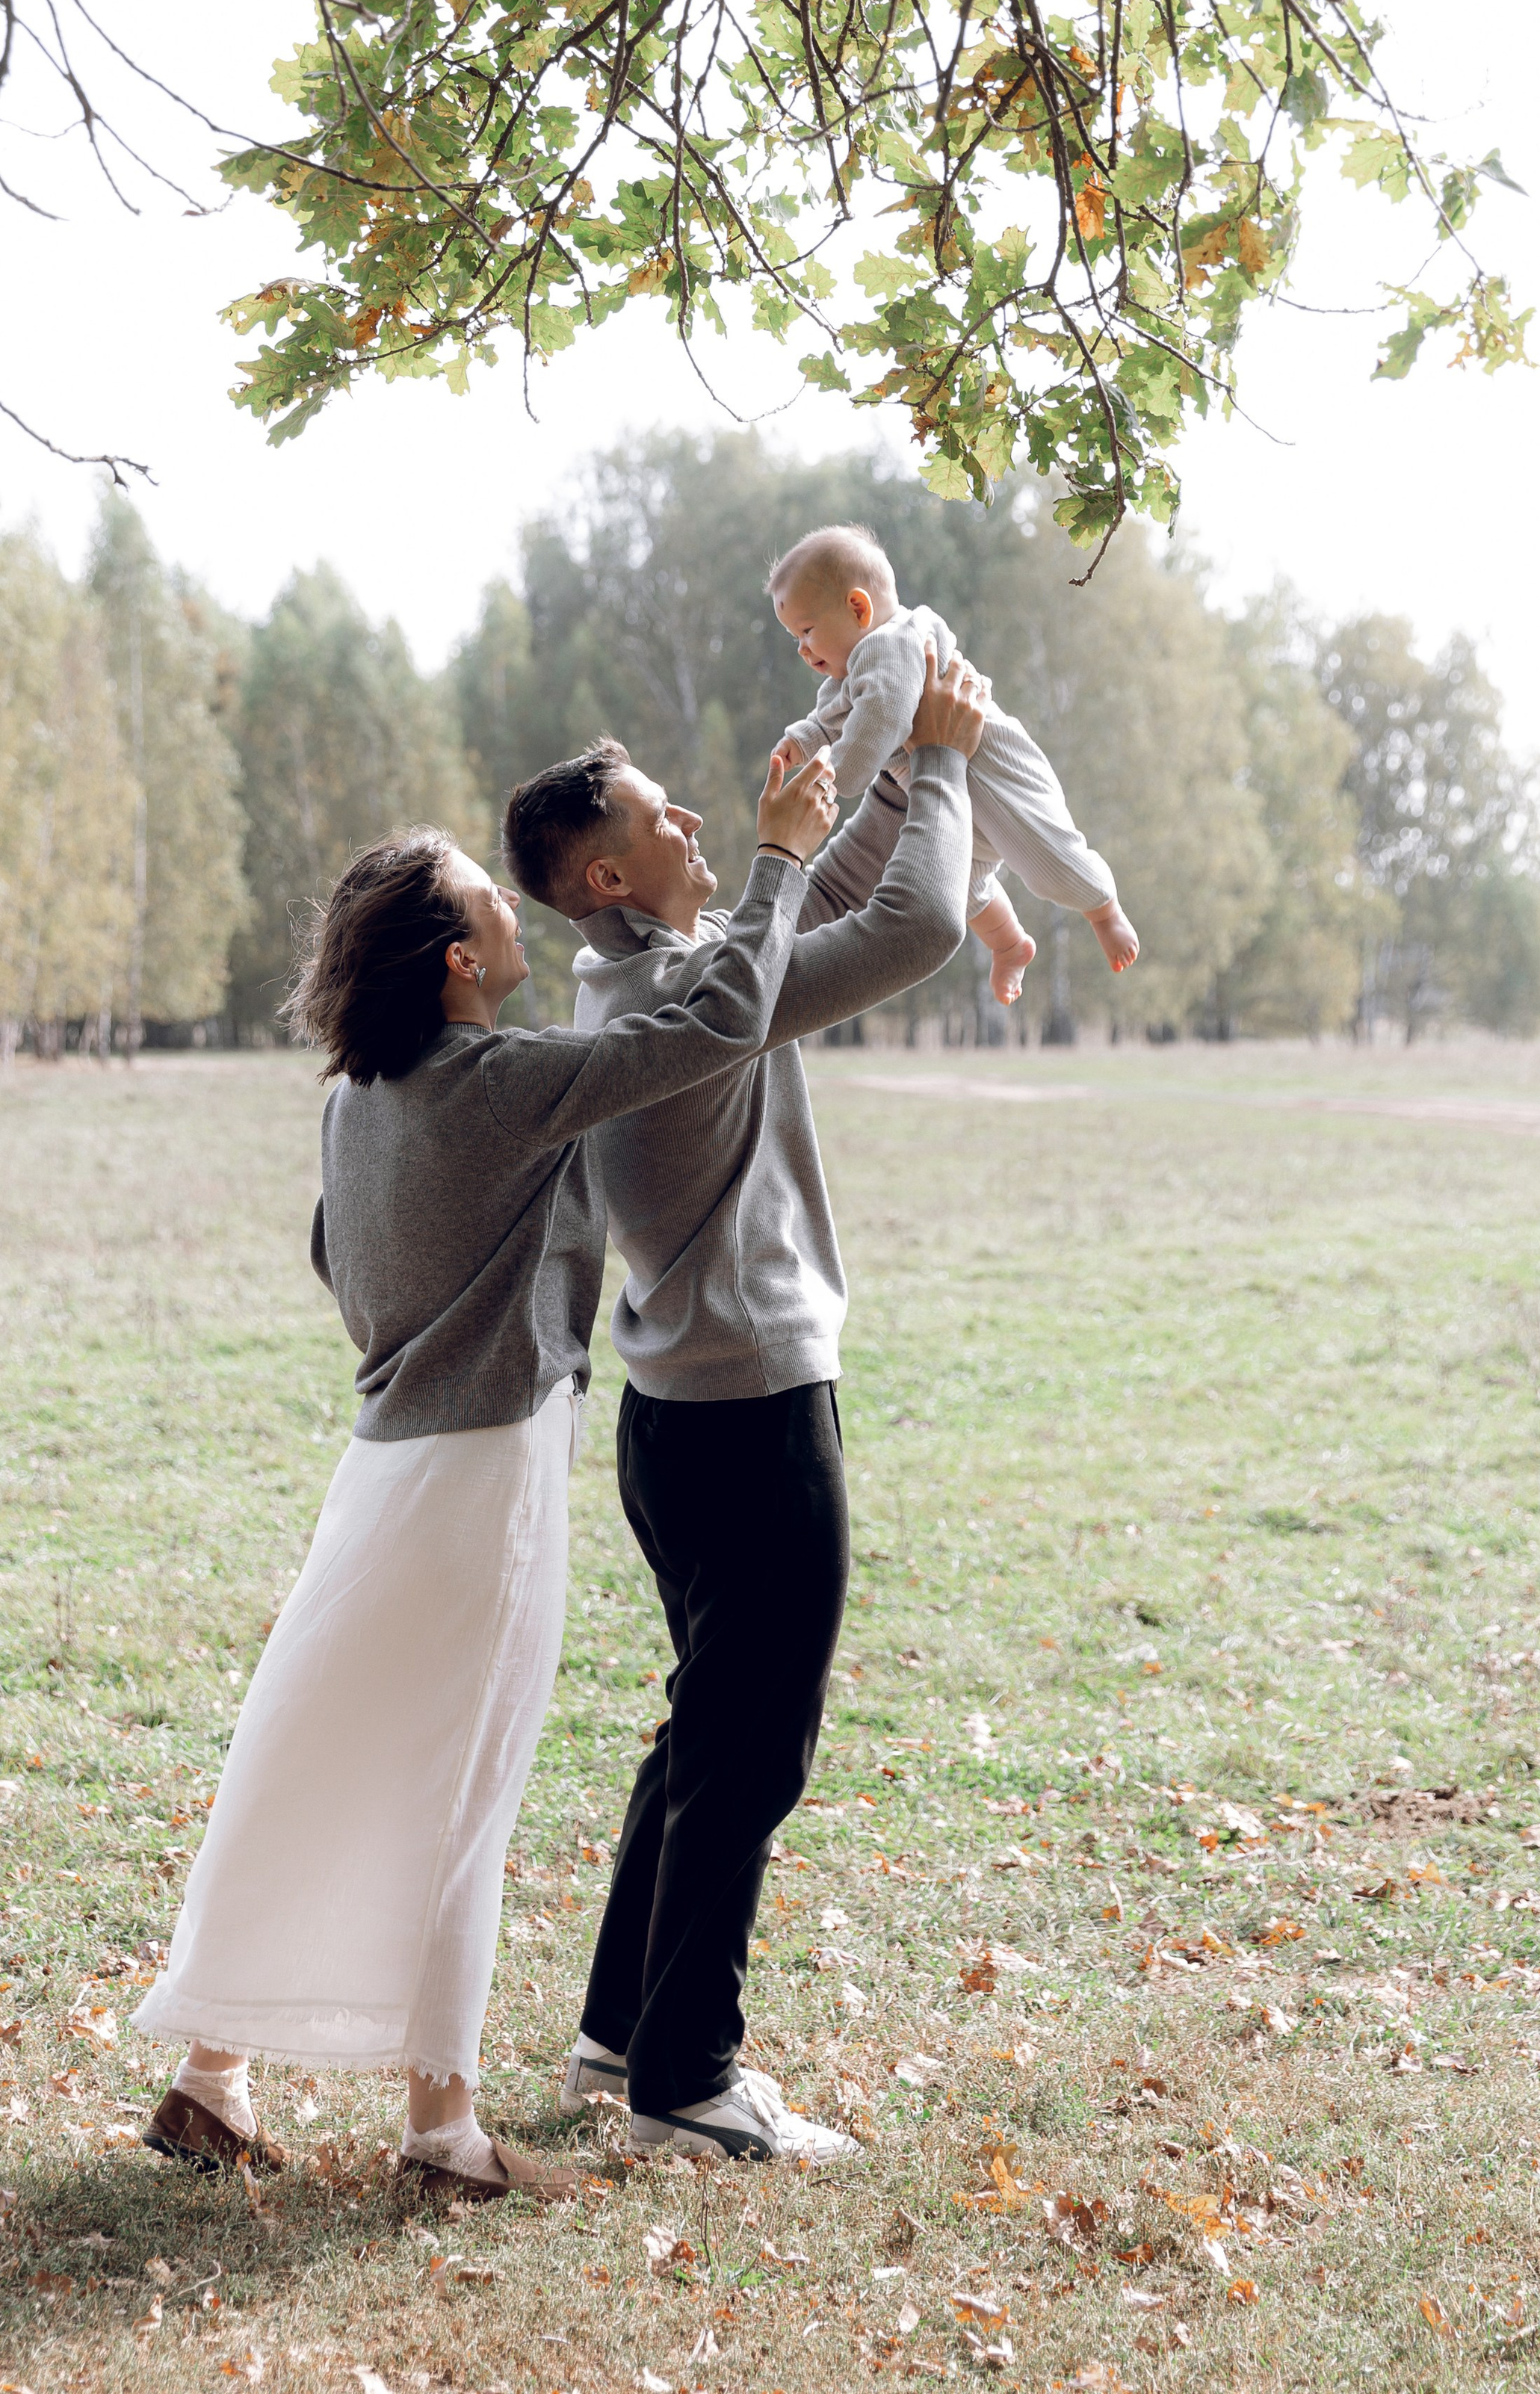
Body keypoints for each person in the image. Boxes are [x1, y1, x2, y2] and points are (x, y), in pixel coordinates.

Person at [130, 749, 838, 2197]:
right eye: (484, 903)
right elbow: (704, 1029)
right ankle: (442, 2130)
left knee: (302, 1756)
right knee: (465, 1788)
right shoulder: (502, 1084)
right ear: (463, 959)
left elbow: (339, 1257)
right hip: (486, 1479)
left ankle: (210, 2073)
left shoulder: (355, 1098)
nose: (515, 919)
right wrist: (777, 862)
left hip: (377, 1472)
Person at [499, 641, 986, 2164]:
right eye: (659, 819)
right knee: (750, 1749)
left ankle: (619, 2033)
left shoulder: (646, 982)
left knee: (700, 1734)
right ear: (598, 876)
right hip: (750, 1417)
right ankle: (687, 2086)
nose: (695, 827)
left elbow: (818, 893)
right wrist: (950, 764)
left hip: (681, 1422)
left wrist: (891, 762)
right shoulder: (677, 1005)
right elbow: (907, 922)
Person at [768, 522, 1139, 1006]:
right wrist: (805, 739)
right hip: (952, 787)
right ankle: (1010, 944)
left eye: (808, 631)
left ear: (858, 608)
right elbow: (833, 717)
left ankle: (1104, 908)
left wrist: (836, 777)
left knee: (1049, 865)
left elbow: (882, 717)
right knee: (959, 884)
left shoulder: (893, 643)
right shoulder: (851, 669)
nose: (803, 649)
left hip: (996, 775)